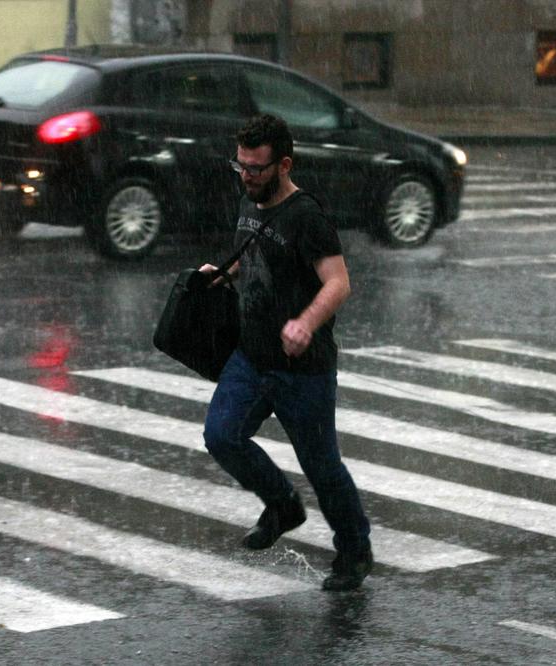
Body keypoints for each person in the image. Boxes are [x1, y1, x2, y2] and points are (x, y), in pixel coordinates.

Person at [200, 114, 373, 591]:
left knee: (321, 465)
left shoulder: (306, 216)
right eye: (241, 167)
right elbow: (259, 263)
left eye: (256, 168)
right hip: (253, 356)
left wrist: (305, 322)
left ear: (284, 164)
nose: (247, 177)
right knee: (222, 435)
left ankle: (355, 550)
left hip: (304, 369)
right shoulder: (249, 201)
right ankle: (282, 504)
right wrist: (225, 274)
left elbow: (338, 283)